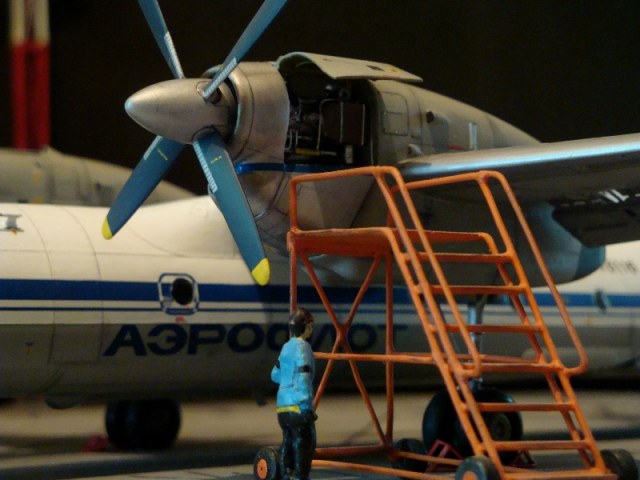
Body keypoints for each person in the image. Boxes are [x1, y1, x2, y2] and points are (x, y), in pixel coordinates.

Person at [271, 308, 316, 480]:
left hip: (282, 407)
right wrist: (306, 404)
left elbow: (275, 375)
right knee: (305, 444)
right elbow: (304, 376)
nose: (311, 329)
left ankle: (285, 475)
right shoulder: (304, 347)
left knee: (288, 442)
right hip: (298, 406)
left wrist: (287, 381)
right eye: (310, 326)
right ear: (305, 327)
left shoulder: (285, 347)